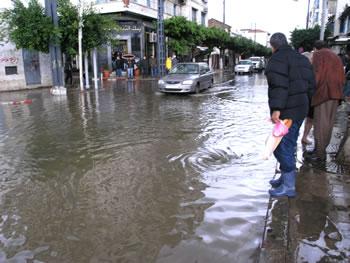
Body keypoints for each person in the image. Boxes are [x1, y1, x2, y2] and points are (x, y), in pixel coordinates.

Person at [265, 33, 315, 197]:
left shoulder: (276, 59)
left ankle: (289, 186)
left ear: (272, 46)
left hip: (287, 111)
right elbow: (311, 85)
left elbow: (278, 86)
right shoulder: (301, 58)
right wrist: (306, 106)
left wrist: (276, 109)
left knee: (280, 146)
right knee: (288, 143)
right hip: (300, 108)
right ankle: (285, 177)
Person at [305, 40, 345, 162]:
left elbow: (317, 74)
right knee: (328, 124)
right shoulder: (335, 56)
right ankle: (321, 150)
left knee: (320, 126)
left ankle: (319, 155)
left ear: (316, 48)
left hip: (323, 94)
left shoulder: (318, 55)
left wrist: (310, 90)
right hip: (335, 94)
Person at [301, 51, 314, 145]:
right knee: (309, 119)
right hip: (307, 98)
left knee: (309, 119)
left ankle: (304, 137)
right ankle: (304, 137)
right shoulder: (310, 70)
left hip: (307, 98)